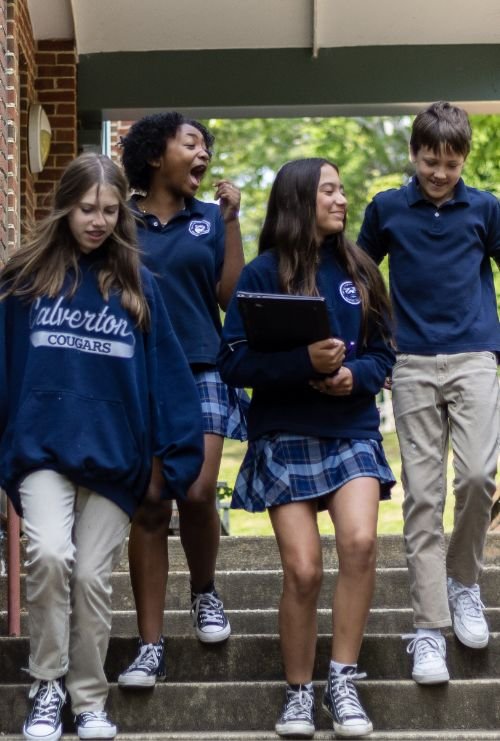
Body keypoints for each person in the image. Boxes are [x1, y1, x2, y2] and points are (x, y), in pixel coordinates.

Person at [0, 153, 204, 741]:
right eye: (87, 209)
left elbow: (169, 378)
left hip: (117, 461)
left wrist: (174, 460)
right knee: (51, 555)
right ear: (65, 207)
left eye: (110, 211)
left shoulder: (139, 286)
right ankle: (46, 685)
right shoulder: (24, 281)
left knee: (91, 576)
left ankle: (88, 699)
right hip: (41, 450)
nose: (98, 221)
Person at [218, 158, 395, 739]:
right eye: (330, 190)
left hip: (351, 429)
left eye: (342, 189)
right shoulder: (263, 273)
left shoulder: (361, 269)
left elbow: (383, 353)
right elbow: (234, 360)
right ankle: (299, 694)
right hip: (284, 433)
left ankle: (342, 679)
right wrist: (303, 364)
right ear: (299, 200)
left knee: (362, 542)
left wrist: (354, 378)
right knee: (301, 569)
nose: (342, 200)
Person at [357, 101, 500, 685]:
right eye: (429, 160)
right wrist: (377, 345)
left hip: (474, 357)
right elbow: (359, 279)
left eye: (449, 161)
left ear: (463, 157)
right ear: (413, 154)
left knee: (477, 478)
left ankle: (463, 582)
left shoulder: (485, 208)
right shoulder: (388, 208)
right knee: (421, 497)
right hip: (411, 363)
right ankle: (428, 630)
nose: (439, 172)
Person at [118, 112, 248, 688]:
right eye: (191, 142)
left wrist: (234, 223)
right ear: (154, 154)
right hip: (137, 373)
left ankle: (203, 591)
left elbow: (232, 297)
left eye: (207, 147)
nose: (204, 154)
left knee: (195, 490)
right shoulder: (118, 222)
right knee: (149, 502)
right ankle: (149, 645)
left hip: (202, 367)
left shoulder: (209, 220)